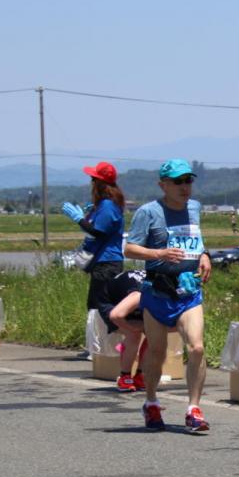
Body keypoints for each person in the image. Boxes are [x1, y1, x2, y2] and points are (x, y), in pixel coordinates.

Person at [124, 159, 213, 433]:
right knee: (157, 351)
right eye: (177, 181)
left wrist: (205, 256)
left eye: (188, 180)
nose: (184, 187)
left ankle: (193, 409)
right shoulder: (149, 213)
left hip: (188, 290)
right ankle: (151, 402)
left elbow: (196, 240)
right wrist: (158, 254)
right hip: (158, 291)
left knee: (196, 347)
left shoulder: (194, 209)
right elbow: (129, 249)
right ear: (163, 185)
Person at [63, 161, 125, 320]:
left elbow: (97, 232)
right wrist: (89, 215)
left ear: (99, 183)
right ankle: (101, 341)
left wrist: (78, 219)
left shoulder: (107, 205)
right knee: (99, 305)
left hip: (106, 264)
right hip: (105, 263)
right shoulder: (107, 205)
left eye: (93, 179)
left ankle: (100, 342)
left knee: (98, 307)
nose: (91, 183)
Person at [98, 268, 147, 392]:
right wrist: (132, 329)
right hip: (112, 303)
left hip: (132, 302)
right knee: (133, 335)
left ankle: (140, 375)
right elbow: (116, 316)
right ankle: (125, 377)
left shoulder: (169, 296)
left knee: (155, 334)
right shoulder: (138, 294)